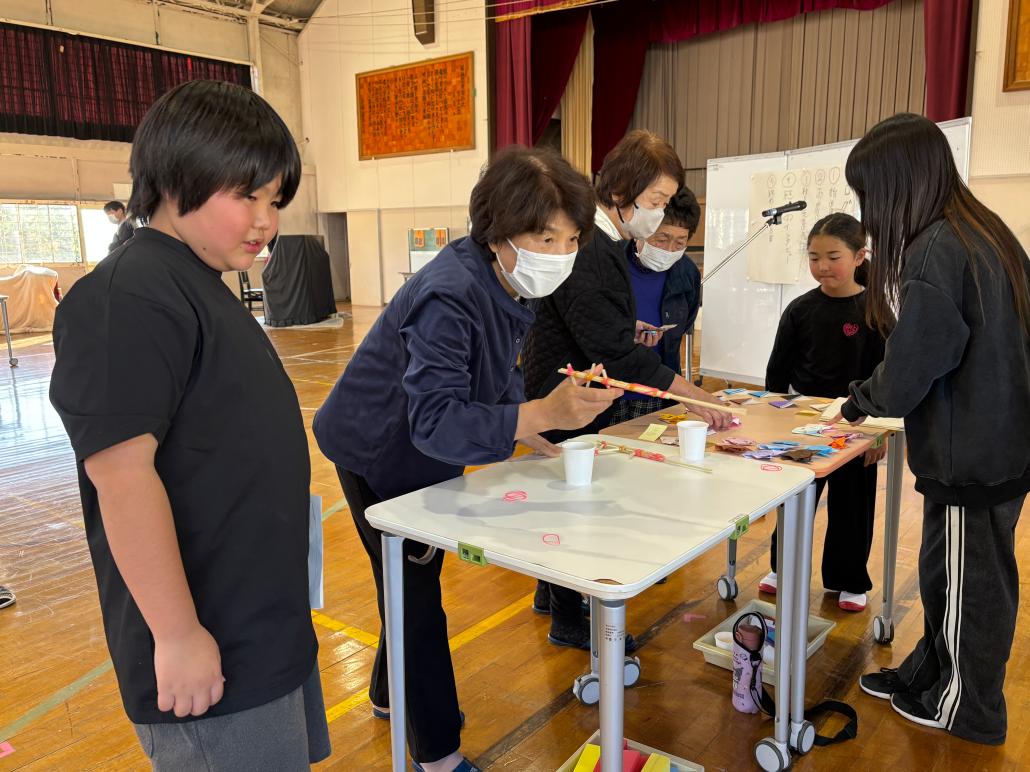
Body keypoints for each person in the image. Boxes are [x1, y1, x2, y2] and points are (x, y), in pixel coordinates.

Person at [49, 80, 330, 771]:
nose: (265, 219)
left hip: (261, 625)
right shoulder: (128, 295)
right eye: (246, 195)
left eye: (275, 200)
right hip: (211, 647)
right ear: (176, 180)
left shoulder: (201, 282)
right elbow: (121, 476)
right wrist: (176, 636)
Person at [312, 145, 620, 772]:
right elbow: (433, 420)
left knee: (404, 583)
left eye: (570, 240)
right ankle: (438, 755)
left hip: (410, 442)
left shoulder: (506, 278)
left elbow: (495, 374)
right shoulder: (449, 294)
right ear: (499, 231)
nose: (560, 255)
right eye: (544, 237)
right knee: (415, 595)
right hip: (380, 449)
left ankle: (385, 694)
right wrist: (544, 415)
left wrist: (534, 434)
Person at [836, 113, 1030, 745]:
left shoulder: (937, 247)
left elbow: (916, 359)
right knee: (947, 570)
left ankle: (967, 708)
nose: (868, 212)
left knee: (971, 582)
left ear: (897, 185)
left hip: (971, 449)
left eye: (868, 194)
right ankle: (931, 671)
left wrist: (860, 401)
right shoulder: (983, 230)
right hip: (993, 440)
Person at [521, 130, 732, 647]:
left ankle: (553, 594)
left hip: (574, 385)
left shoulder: (606, 244)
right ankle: (572, 617)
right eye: (654, 202)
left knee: (569, 489)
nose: (658, 216)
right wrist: (689, 392)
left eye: (664, 205)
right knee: (574, 500)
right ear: (621, 190)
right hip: (563, 389)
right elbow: (612, 348)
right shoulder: (592, 247)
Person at [760, 213, 888, 612]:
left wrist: (880, 432)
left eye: (833, 256)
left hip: (859, 424)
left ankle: (849, 579)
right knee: (795, 501)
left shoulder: (876, 310)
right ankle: (783, 569)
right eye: (814, 257)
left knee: (853, 506)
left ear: (860, 255)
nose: (822, 267)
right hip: (805, 427)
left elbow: (891, 375)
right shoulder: (800, 309)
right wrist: (771, 422)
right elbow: (776, 372)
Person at [614, 184, 703, 423]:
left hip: (658, 393)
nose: (669, 250)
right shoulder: (611, 262)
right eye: (661, 238)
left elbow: (684, 327)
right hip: (608, 392)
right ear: (645, 228)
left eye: (680, 242)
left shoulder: (688, 274)